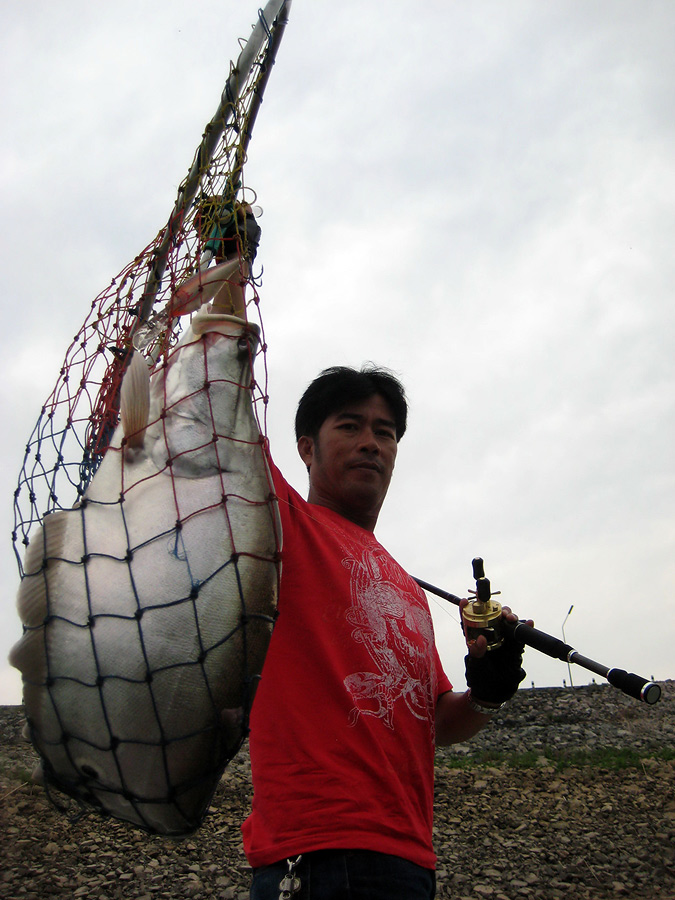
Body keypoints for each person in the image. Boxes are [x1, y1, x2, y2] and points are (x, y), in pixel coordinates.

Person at [242, 365, 527, 900]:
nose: (371, 443)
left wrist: (488, 693)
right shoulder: (281, 526)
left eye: (385, 432)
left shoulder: (405, 588)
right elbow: (225, 427)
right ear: (305, 448)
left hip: (410, 854)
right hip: (318, 852)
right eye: (349, 426)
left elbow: (436, 721)